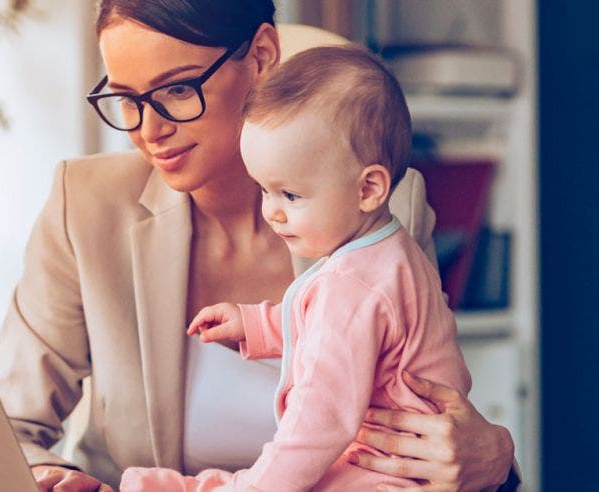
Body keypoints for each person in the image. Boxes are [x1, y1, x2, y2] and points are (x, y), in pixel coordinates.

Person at [0, 1, 517, 490]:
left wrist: (494, 459)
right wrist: (54, 477)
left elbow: (428, 404)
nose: (148, 130)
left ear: (262, 56)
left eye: (177, 90)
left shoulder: (374, 213)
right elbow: (6, 426)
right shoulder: (83, 205)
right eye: (126, 99)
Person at [120, 44, 473, 491]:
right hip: (392, 460)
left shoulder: (351, 284)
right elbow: (338, 333)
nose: (272, 212)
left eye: (290, 195)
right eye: (264, 190)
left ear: (369, 188)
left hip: (389, 471)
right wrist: (255, 324)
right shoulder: (390, 252)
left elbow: (320, 423)